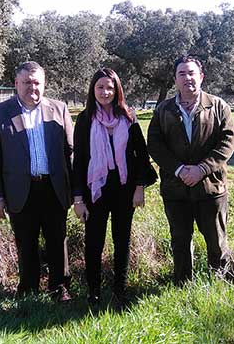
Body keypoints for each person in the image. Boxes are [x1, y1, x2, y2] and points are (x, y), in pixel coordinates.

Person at [0, 61, 74, 302]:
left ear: (44, 84)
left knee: (57, 239)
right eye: (26, 82)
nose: (31, 88)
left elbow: (70, 152)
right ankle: (28, 289)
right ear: (16, 84)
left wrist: (76, 193)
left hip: (53, 188)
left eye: (36, 83)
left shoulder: (59, 109)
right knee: (25, 241)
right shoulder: (1, 113)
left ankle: (59, 288)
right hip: (19, 190)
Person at [146, 55, 234, 285]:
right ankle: (183, 285)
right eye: (181, 74)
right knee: (180, 240)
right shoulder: (163, 110)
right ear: (175, 80)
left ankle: (219, 284)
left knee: (216, 240)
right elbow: (155, 144)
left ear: (201, 77)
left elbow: (227, 142)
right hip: (175, 190)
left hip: (211, 188)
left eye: (191, 73)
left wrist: (202, 169)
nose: (187, 78)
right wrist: (178, 169)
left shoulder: (218, 106)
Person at [72, 68, 157, 307]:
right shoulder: (85, 120)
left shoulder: (129, 117)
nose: (105, 92)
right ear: (93, 90)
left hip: (124, 189)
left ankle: (120, 290)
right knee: (94, 242)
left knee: (122, 241)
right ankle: (94, 292)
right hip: (95, 190)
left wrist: (139, 187)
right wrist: (78, 199)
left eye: (110, 87)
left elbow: (142, 156)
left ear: (117, 89)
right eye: (100, 87)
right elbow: (78, 161)